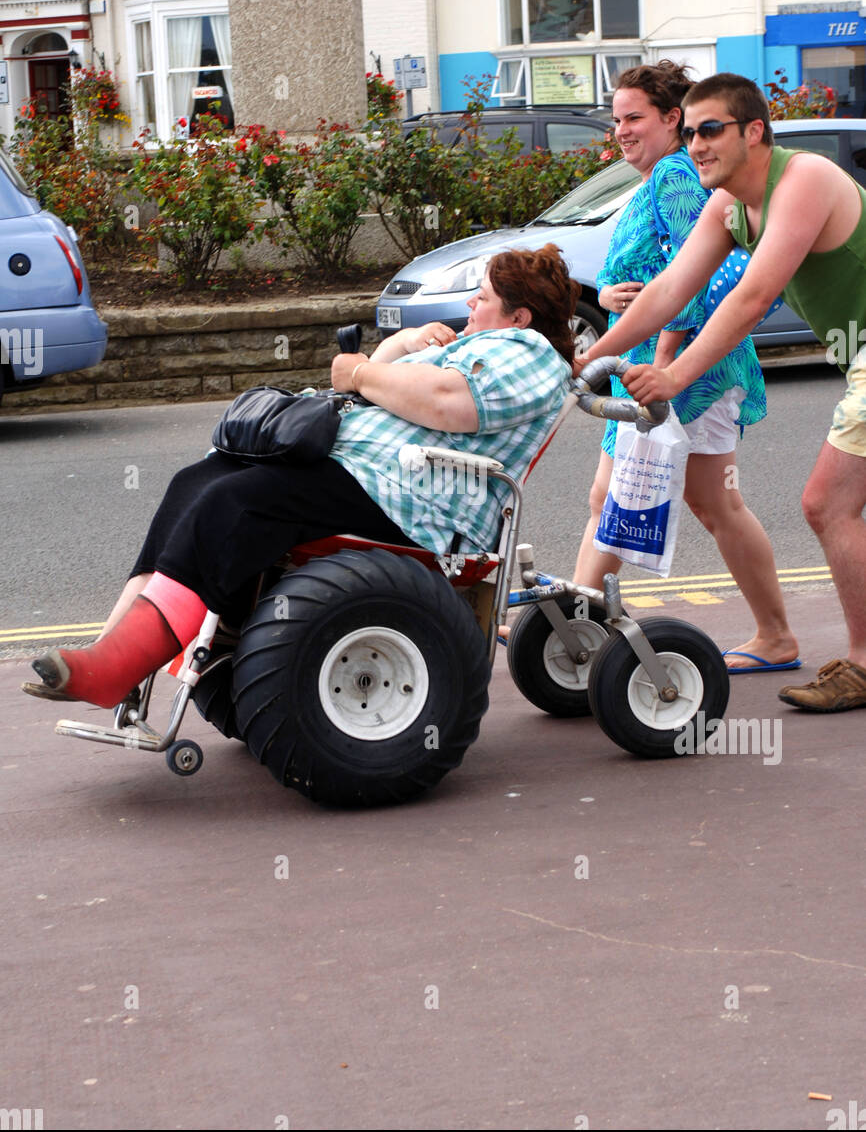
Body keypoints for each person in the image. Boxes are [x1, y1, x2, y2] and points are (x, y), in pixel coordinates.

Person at [23, 244, 576, 709]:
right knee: (197, 483)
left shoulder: (526, 351)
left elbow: (449, 403)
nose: (469, 306)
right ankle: (113, 651)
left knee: (237, 502)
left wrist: (359, 368)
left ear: (519, 317)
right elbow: (371, 394)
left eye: (481, 298)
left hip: (415, 502)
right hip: (371, 477)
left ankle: (119, 665)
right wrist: (401, 349)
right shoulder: (477, 345)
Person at [576, 70, 866, 712]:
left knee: (825, 502)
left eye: (711, 129)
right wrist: (588, 355)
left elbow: (750, 296)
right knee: (827, 504)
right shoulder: (728, 205)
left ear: (754, 131)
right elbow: (670, 290)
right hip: (860, 359)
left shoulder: (805, 181)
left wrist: (673, 374)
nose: (698, 144)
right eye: (692, 130)